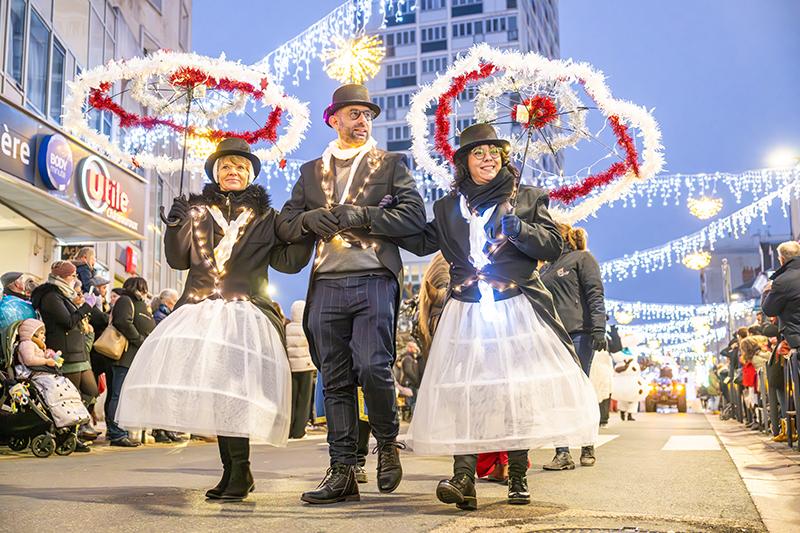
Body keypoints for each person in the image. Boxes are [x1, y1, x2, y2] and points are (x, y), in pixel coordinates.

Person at [392, 123, 599, 510]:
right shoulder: (447, 207)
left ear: (504, 158)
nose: (488, 158)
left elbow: (553, 245)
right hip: (465, 310)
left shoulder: (527, 198)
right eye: (478, 153)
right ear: (463, 162)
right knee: (468, 392)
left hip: (515, 307)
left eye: (494, 152)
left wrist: (520, 229)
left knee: (513, 392)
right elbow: (421, 241)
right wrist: (395, 216)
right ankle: (463, 479)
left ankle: (518, 478)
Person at [116, 137, 312, 501]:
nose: (232, 171)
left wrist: (306, 232)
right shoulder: (196, 212)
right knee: (219, 392)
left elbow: (288, 262)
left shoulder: (267, 218)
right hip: (201, 308)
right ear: (216, 175)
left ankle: (240, 470)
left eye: (239, 166)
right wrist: (175, 224)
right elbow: (177, 260)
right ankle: (234, 471)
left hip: (245, 311)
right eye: (225, 166)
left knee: (235, 392)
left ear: (250, 174)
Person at [276, 84, 426, 504]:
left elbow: (414, 216)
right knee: (335, 379)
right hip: (325, 282)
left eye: (367, 115)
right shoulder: (310, 173)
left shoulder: (389, 164)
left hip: (374, 276)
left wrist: (362, 214)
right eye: (354, 114)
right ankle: (342, 471)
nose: (362, 121)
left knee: (373, 366)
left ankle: (388, 446)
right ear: (334, 119)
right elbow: (285, 225)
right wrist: (310, 220)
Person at [540, 222, 606, 469]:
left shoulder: (583, 258)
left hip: (579, 333)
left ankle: (587, 445)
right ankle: (562, 452)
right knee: (558, 393)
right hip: (553, 335)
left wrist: (599, 327)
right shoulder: (546, 267)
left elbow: (595, 293)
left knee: (579, 389)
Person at [30, 261, 98, 452]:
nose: (75, 279)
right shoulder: (52, 295)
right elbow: (68, 321)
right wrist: (87, 307)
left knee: (90, 390)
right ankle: (68, 436)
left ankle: (70, 431)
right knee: (70, 398)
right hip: (67, 352)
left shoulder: (63, 294)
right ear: (62, 277)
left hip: (78, 352)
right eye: (72, 276)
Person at [105, 276, 155, 447]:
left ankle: (121, 431)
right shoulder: (126, 300)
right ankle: (117, 433)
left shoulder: (139, 304)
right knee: (118, 395)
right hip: (123, 356)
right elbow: (122, 321)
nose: (145, 293)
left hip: (134, 358)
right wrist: (140, 339)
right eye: (144, 289)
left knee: (123, 396)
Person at [287, 300, 315, 439]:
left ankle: (289, 430)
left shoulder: (287, 327)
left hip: (291, 367)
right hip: (306, 367)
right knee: (304, 400)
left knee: (291, 399)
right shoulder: (307, 327)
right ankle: (299, 431)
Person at [395, 341, 424, 413]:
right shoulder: (407, 358)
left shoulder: (410, 358)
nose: (415, 349)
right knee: (413, 404)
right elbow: (409, 372)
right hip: (410, 384)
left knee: (414, 403)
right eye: (414, 347)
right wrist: (417, 381)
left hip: (411, 384)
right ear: (409, 348)